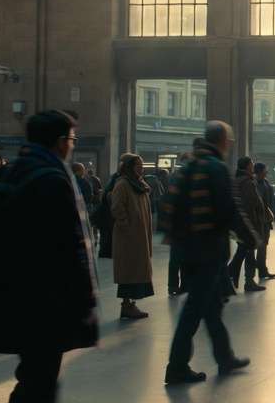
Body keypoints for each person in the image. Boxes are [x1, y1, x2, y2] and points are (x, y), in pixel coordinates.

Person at [0, 110, 97, 403]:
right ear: (59, 140)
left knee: (40, 382)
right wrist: (82, 304)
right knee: (35, 386)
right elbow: (61, 252)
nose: (73, 143)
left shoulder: (16, 170)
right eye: (71, 137)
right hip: (42, 304)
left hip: (16, 298)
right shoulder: (51, 179)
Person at [162, 121, 255, 386]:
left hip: (186, 249)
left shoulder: (187, 167)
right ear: (223, 140)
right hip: (209, 249)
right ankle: (177, 366)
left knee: (211, 306)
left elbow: (169, 205)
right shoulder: (215, 168)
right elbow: (230, 209)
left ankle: (225, 357)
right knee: (194, 309)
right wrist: (250, 237)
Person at [109, 153, 155, 320]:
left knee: (135, 270)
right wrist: (127, 227)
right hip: (129, 237)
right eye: (138, 165)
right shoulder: (123, 184)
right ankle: (127, 305)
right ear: (129, 167)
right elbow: (117, 208)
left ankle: (130, 304)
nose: (141, 168)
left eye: (142, 165)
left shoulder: (138, 184)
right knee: (129, 271)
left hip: (138, 236)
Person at [226, 157, 268, 293]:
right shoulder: (247, 182)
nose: (253, 166)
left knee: (243, 251)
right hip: (249, 224)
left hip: (240, 224)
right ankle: (245, 280)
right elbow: (250, 204)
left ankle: (232, 276)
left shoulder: (238, 180)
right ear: (247, 166)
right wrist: (256, 222)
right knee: (248, 251)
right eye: (251, 164)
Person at [166, 152, 193, 295]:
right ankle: (180, 285)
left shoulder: (176, 176)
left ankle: (175, 285)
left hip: (178, 223)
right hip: (181, 224)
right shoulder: (183, 176)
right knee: (179, 258)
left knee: (177, 258)